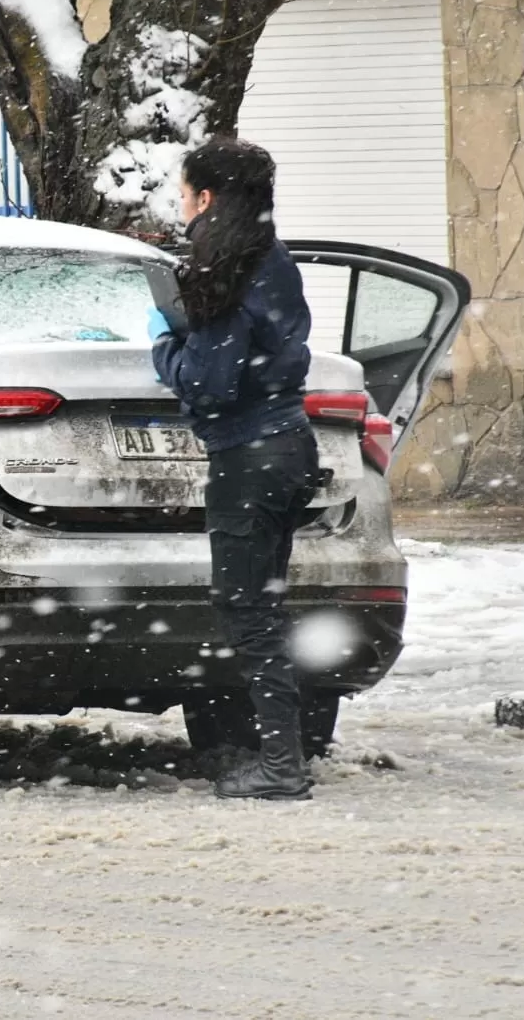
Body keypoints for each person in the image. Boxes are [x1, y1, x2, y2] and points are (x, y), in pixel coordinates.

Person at [150, 138, 322, 802]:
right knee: (265, 608)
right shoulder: (271, 261)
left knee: (248, 611)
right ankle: (281, 749)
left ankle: (282, 765)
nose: (182, 205)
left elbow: (210, 384)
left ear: (207, 198)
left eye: (185, 193)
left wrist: (166, 345)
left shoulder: (227, 266)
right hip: (290, 447)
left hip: (248, 459)